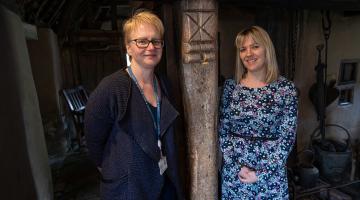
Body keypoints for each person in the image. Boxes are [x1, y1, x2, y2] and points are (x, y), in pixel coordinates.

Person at [84, 10, 183, 200]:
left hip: (164, 183)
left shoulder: (163, 84)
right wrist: (116, 172)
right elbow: (94, 140)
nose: (151, 47)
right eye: (142, 41)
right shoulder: (112, 87)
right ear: (128, 48)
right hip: (129, 188)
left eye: (156, 41)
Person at [218, 26, 298, 199]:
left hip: (270, 177)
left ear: (267, 49)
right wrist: (237, 166)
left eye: (255, 46)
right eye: (243, 49)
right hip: (236, 175)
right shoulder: (231, 88)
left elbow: (287, 137)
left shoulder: (285, 89)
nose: (248, 53)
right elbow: (223, 131)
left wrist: (262, 173)